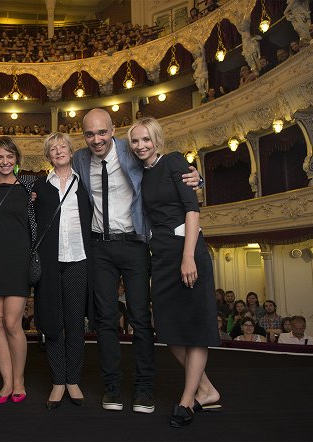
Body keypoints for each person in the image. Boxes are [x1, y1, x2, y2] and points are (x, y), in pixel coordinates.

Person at [72, 109, 202, 414]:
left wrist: (199, 177)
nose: (96, 140)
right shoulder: (80, 158)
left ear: (113, 130)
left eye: (102, 133)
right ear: (84, 136)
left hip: (134, 244)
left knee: (140, 319)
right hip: (99, 247)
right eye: (90, 134)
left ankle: (144, 388)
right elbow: (59, 170)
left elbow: (165, 169)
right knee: (104, 320)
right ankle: (112, 387)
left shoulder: (130, 151)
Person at [128, 117, 219, 427]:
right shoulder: (142, 173)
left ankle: (187, 400)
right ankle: (206, 389)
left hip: (186, 251)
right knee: (168, 329)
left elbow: (192, 209)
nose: (140, 146)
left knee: (193, 329)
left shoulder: (173, 161)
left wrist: (189, 257)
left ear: (157, 140)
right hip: (162, 257)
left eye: (145, 139)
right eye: (135, 141)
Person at [32, 132, 91, 409]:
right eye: (52, 148)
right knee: (53, 323)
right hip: (50, 262)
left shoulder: (84, 183)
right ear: (48, 155)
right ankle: (58, 380)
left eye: (62, 146)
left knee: (76, 322)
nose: (58, 151)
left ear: (71, 150)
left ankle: (73, 379)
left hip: (79, 259)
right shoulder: (39, 186)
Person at [0, 136, 37, 404]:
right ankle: (6, 382)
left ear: (16, 159)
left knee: (13, 323)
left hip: (18, 260)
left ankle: (20, 380)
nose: (4, 162)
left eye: (9, 157)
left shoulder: (29, 186)